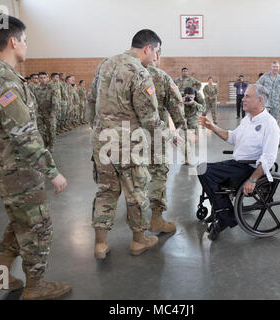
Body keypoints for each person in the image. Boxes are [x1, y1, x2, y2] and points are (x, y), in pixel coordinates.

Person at [0, 13, 70, 300]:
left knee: (20, 220)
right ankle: (36, 287)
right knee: (38, 225)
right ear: (13, 42)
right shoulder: (4, 80)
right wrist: (53, 172)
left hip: (0, 165)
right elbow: (24, 134)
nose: (27, 47)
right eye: (25, 41)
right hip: (16, 168)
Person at [90, 29, 179, 259]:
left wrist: (99, 128)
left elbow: (90, 101)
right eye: (156, 51)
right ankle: (139, 241)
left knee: (106, 190)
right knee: (136, 192)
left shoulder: (105, 64)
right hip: (128, 143)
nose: (156, 57)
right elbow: (149, 119)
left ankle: (100, 244)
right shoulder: (140, 73)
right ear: (148, 48)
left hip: (102, 140)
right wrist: (168, 135)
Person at [197, 84, 280, 231]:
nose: (243, 99)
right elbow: (232, 138)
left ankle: (224, 216)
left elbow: (268, 158)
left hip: (249, 169)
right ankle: (221, 211)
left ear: (260, 100)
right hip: (236, 164)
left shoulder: (270, 125)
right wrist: (212, 127)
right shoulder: (247, 119)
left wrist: (252, 180)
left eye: (248, 96)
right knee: (202, 168)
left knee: (205, 171)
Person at [147, 48, 190, 234]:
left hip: (124, 135)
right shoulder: (160, 76)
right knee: (158, 173)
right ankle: (156, 220)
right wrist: (181, 130)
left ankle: (102, 241)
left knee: (130, 176)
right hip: (155, 133)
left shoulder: (117, 71)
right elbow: (176, 105)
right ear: (156, 54)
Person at [35, 72, 59, 152]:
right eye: (41, 78)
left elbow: (55, 100)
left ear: (47, 78)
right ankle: (45, 144)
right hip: (39, 112)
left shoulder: (51, 88)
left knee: (51, 130)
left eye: (44, 77)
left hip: (49, 112)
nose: (43, 79)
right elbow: (34, 100)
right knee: (41, 130)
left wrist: (53, 111)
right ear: (38, 79)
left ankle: (51, 145)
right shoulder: (36, 89)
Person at [183, 86, 205, 164]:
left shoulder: (197, 99)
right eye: (187, 96)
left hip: (193, 124)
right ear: (184, 95)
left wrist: (193, 103)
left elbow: (203, 109)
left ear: (194, 96)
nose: (189, 98)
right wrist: (181, 102)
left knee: (192, 142)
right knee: (184, 142)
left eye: (191, 97)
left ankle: (190, 157)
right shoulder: (181, 97)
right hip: (183, 123)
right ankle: (186, 158)